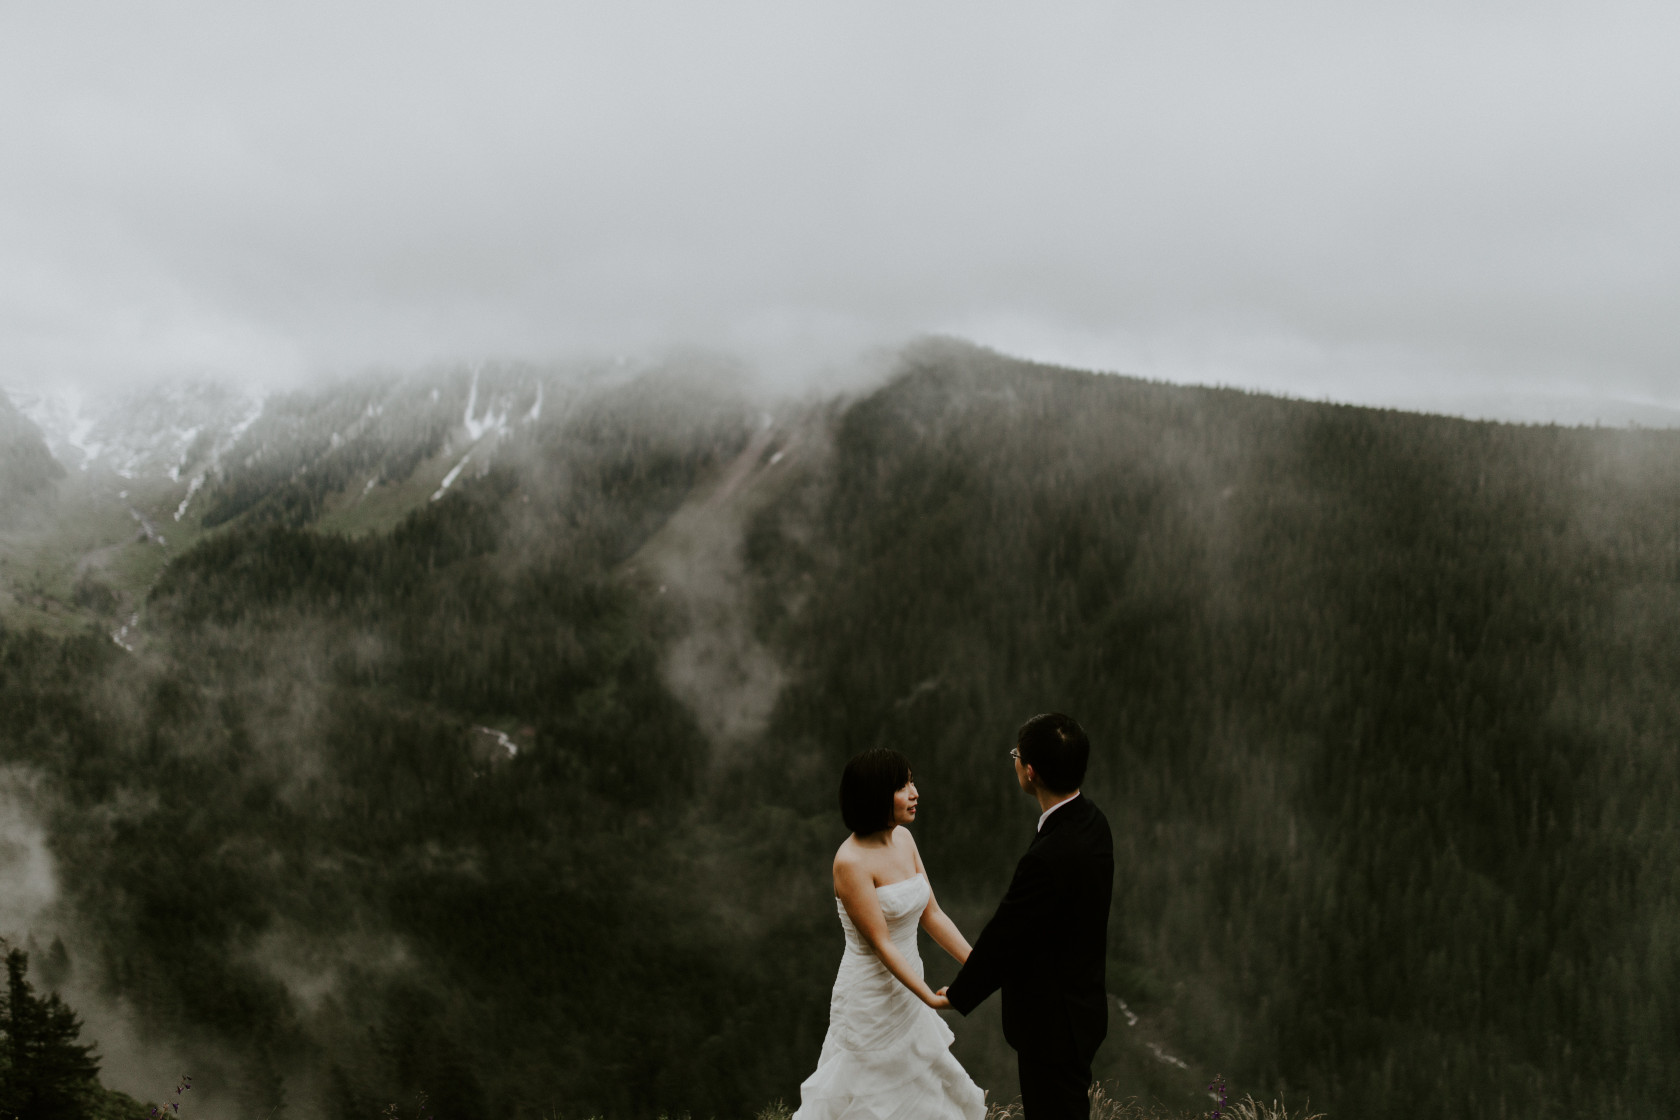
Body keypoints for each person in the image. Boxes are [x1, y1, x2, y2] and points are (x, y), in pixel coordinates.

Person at [791, 748, 986, 1120]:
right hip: (870, 1001)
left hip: (909, 985)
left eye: (912, 781)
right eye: (902, 785)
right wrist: (929, 997)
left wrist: (980, 967)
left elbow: (932, 913)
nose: (914, 792)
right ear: (875, 795)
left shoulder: (905, 841)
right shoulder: (850, 861)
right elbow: (881, 944)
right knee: (871, 1101)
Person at [941, 713, 1115, 1120]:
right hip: (1083, 1007)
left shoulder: (1048, 857)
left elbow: (1008, 933)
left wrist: (957, 994)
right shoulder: (1093, 822)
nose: (1015, 761)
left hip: (1051, 1025)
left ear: (1031, 772)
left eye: (1017, 755)